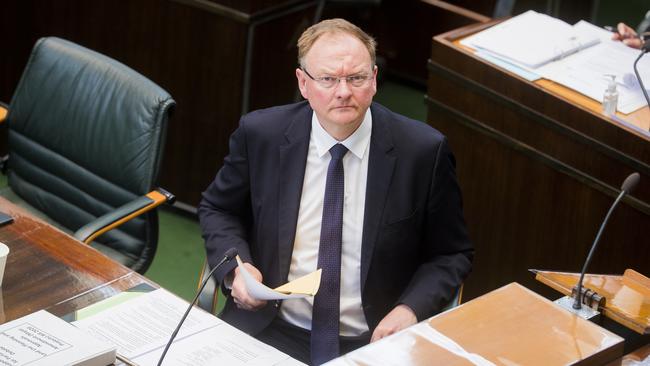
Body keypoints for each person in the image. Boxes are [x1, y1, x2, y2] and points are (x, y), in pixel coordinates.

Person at [198, 18, 473, 365]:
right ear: (303, 83)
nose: (344, 91)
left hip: (372, 340)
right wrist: (237, 269)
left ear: (374, 80)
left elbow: (451, 253)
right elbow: (218, 208)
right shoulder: (261, 134)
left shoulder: (423, 152)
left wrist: (408, 310)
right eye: (328, 79)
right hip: (270, 325)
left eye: (356, 78)